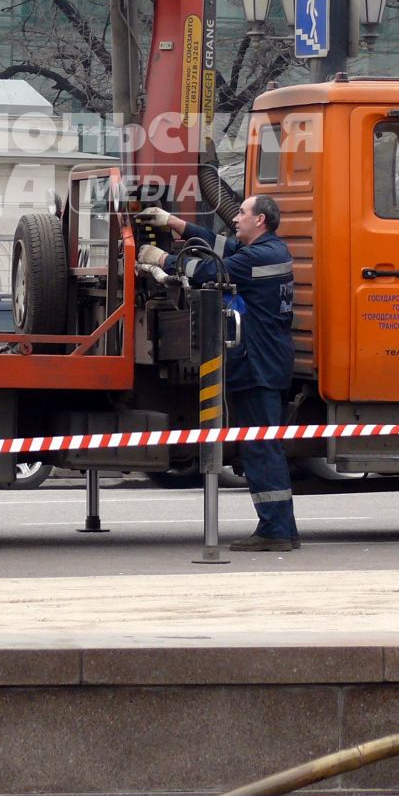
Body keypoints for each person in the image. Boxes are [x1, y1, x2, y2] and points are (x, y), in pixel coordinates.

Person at [135, 195, 298, 551]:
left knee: (260, 448)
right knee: (263, 447)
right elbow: (221, 247)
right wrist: (176, 224)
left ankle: (276, 530)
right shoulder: (268, 250)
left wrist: (160, 258)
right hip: (263, 363)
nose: (236, 218)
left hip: (258, 366)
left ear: (261, 221)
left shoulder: (259, 257)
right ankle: (283, 528)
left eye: (242, 213)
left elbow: (210, 268)